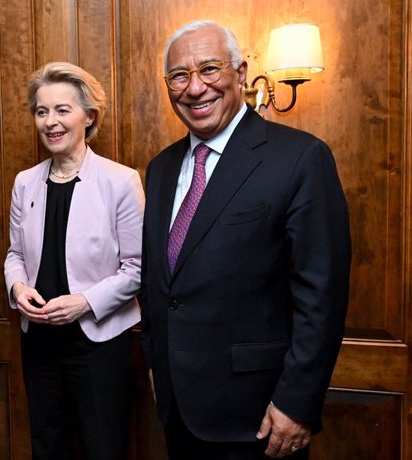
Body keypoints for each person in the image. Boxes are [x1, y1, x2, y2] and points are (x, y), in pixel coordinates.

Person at [140, 20, 351, 460]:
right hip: (178, 410)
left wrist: (298, 402)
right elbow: (160, 282)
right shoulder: (160, 168)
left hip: (260, 417)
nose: (194, 87)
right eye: (179, 75)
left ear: (240, 72)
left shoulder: (299, 158)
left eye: (210, 69)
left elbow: (321, 295)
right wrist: (155, 360)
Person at [4, 61, 144, 460]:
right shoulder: (24, 182)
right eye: (42, 111)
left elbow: (137, 269)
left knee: (104, 447)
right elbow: (14, 254)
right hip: (40, 345)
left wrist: (84, 303)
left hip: (99, 345)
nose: (51, 122)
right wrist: (18, 287)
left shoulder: (120, 181)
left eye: (63, 110)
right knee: (48, 447)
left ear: (89, 116)